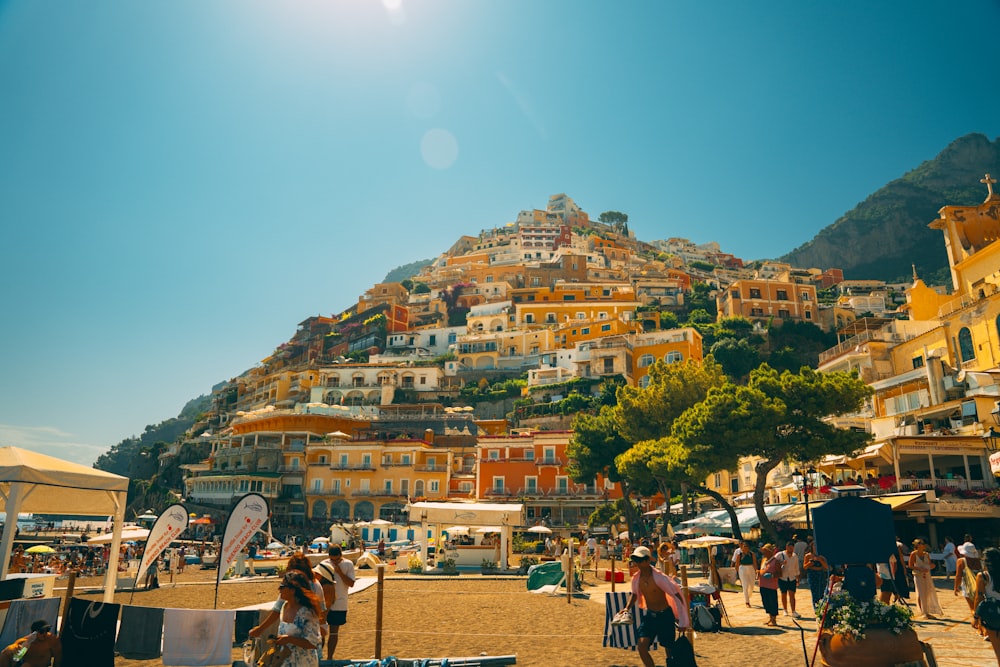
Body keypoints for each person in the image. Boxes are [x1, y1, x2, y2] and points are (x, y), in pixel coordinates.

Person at [621, 546, 690, 667]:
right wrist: (627, 608)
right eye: (636, 560)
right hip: (650, 616)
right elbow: (635, 594)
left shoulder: (659, 577)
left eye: (641, 560)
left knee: (669, 650)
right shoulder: (636, 579)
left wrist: (683, 621)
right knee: (642, 647)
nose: (638, 563)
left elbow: (677, 596)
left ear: (648, 560)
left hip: (665, 615)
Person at [249, 571, 322, 667]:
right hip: (285, 661)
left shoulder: (306, 612)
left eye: (282, 586)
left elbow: (313, 643)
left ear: (292, 590)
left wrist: (289, 639)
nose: (279, 590)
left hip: (303, 663)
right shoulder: (284, 607)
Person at [314, 545, 355, 661]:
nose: (334, 562)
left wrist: (340, 572)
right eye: (332, 559)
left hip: (340, 602)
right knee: (320, 630)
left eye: (337, 559)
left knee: (334, 632)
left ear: (341, 556)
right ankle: (319, 656)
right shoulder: (324, 564)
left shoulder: (348, 564)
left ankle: (330, 657)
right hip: (324, 601)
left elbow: (351, 583)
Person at [954, 542, 985, 638]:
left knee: (973, 609)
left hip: (968, 588)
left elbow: (958, 576)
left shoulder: (961, 561)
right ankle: (982, 627)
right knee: (980, 607)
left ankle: (980, 628)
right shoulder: (980, 561)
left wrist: (956, 587)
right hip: (980, 586)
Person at [975, 547, 1000, 661]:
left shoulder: (983, 576)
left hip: (992, 614)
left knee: (998, 650)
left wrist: (976, 617)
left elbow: (979, 597)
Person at [909, 539, 943, 619]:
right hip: (918, 575)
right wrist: (920, 569)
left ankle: (927, 611)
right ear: (917, 545)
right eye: (922, 544)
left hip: (926, 575)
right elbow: (910, 565)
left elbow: (929, 564)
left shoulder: (926, 554)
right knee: (921, 593)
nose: (924, 545)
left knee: (927, 592)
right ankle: (922, 611)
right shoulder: (914, 554)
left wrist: (932, 566)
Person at [774, 541, 802, 618]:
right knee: (783, 594)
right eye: (789, 547)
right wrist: (781, 563)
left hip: (792, 577)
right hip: (783, 577)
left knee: (792, 594)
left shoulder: (795, 556)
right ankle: (785, 609)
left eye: (792, 548)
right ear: (786, 547)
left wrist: (797, 577)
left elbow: (796, 567)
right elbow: (773, 562)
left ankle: (793, 611)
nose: (791, 549)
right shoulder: (780, 554)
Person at [758, 544, 781, 627]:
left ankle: (774, 620)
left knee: (772, 602)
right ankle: (770, 618)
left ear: (770, 552)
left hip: (771, 586)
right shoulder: (764, 560)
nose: (763, 552)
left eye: (765, 551)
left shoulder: (775, 561)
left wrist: (772, 575)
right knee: (766, 602)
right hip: (762, 584)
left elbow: (779, 573)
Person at [732, 540, 758, 608]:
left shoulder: (752, 554)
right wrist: (736, 573)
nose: (745, 548)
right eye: (744, 546)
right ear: (742, 547)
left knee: (752, 585)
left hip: (750, 568)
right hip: (742, 569)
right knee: (745, 585)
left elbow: (755, 563)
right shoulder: (739, 555)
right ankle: (747, 601)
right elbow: (737, 564)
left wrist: (756, 571)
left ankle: (748, 595)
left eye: (747, 546)